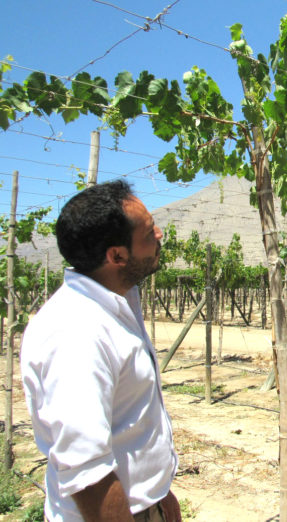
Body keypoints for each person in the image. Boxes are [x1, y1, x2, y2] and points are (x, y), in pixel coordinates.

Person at [21, 180, 181, 522]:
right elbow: (86, 473)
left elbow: (129, 422)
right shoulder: (77, 332)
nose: (160, 235)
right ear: (117, 256)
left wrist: (159, 495)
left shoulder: (115, 305)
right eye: (150, 232)